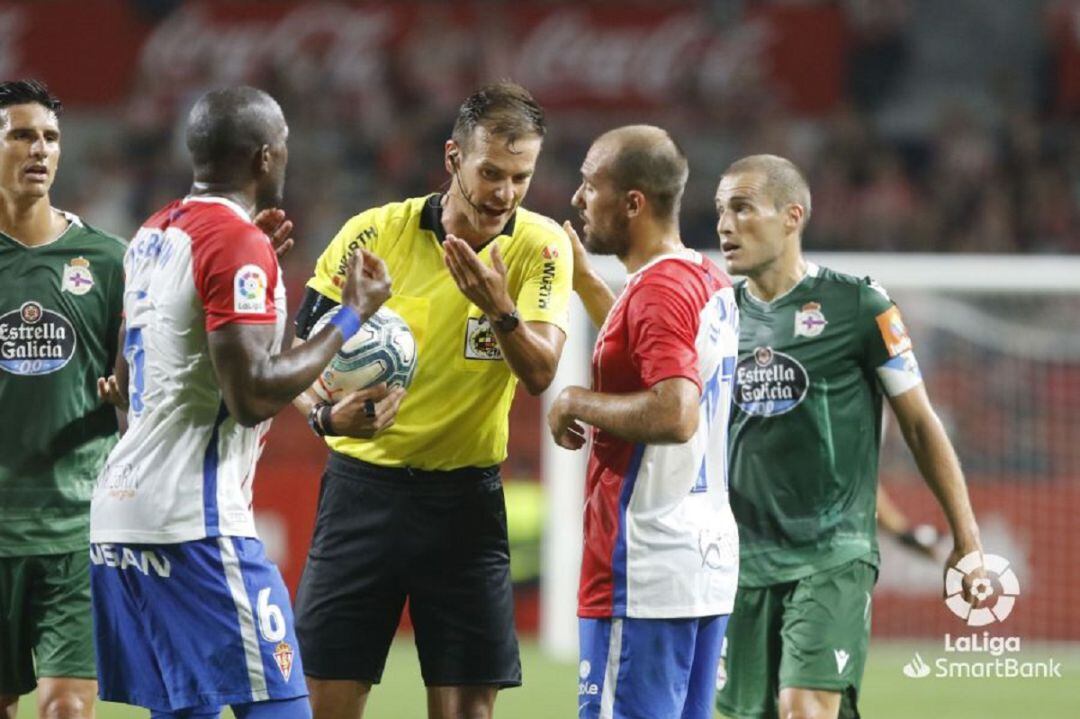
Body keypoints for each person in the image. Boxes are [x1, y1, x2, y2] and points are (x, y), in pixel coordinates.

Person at [87, 86, 392, 719]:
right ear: (263, 157)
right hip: (194, 523)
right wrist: (352, 317)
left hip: (121, 517)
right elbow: (252, 396)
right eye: (283, 144)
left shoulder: (154, 231)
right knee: (281, 705)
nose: (288, 155)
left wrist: (254, 269)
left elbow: (124, 370)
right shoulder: (232, 243)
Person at [290, 81, 572, 719]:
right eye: (491, 173)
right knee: (324, 704)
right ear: (453, 159)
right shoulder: (373, 233)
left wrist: (498, 307)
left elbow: (541, 372)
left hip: (464, 506)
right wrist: (323, 414)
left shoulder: (538, 245)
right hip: (362, 493)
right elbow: (298, 354)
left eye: (521, 177)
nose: (504, 193)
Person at [711, 155, 982, 719]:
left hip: (831, 552)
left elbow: (919, 423)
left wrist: (967, 537)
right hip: (740, 561)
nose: (725, 225)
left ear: (792, 216)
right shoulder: (716, 319)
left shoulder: (859, 306)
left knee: (804, 708)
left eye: (741, 208)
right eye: (720, 211)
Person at [547, 125, 740, 719]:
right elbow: (642, 352)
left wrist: (575, 399)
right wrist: (584, 280)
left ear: (633, 202)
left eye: (589, 185)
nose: (578, 200)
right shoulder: (702, 278)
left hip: (644, 568)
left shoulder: (657, 293)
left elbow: (675, 410)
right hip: (700, 565)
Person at [0, 79, 124, 719]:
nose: (39, 149)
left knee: (67, 710)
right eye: (21, 134)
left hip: (74, 526)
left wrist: (135, 394)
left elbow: (146, 385)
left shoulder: (106, 261)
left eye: (49, 137)